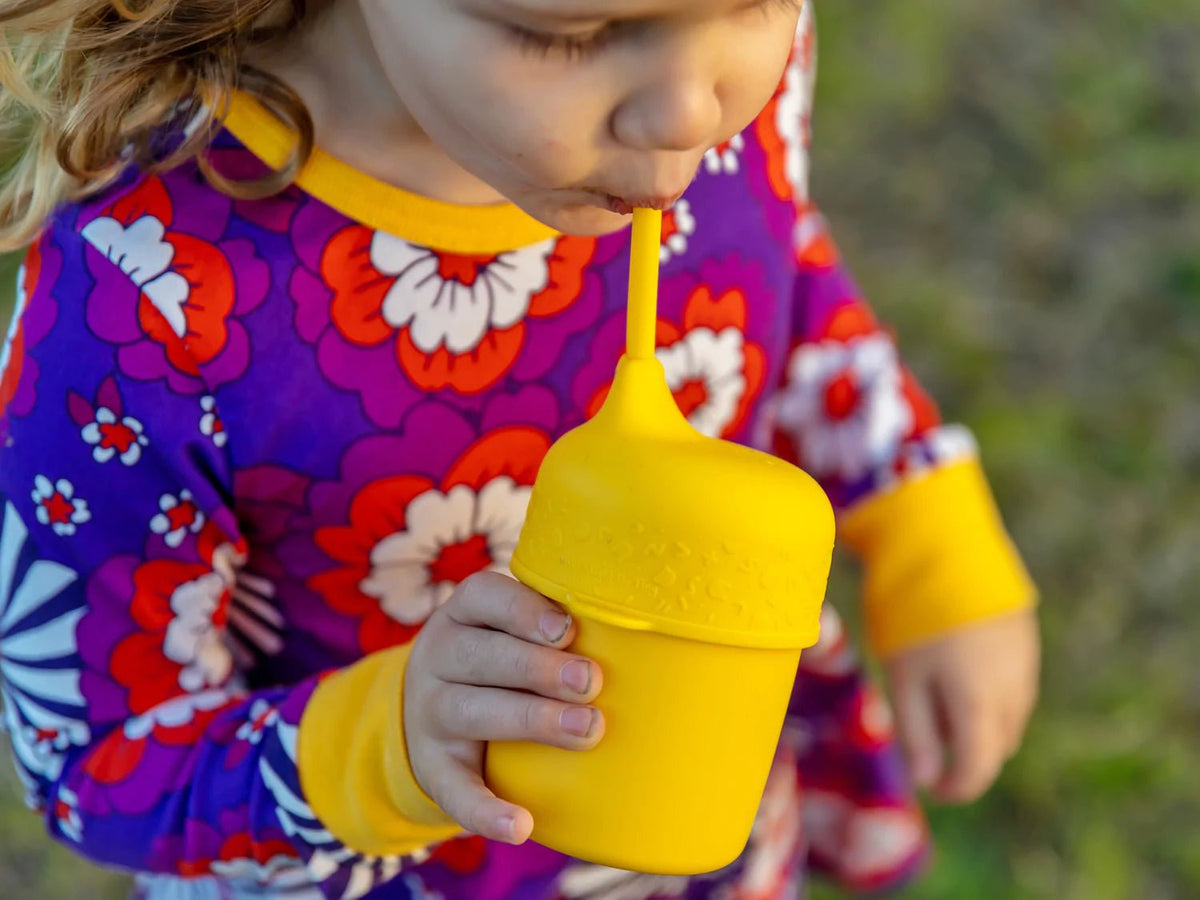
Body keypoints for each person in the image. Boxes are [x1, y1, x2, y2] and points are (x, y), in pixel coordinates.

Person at [0, 1, 1039, 897]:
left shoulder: (705, 85)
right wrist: (394, 746)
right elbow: (96, 759)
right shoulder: (146, 313)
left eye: (750, 4)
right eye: (573, 33)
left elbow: (770, 261)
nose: (689, 108)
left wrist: (922, 522)